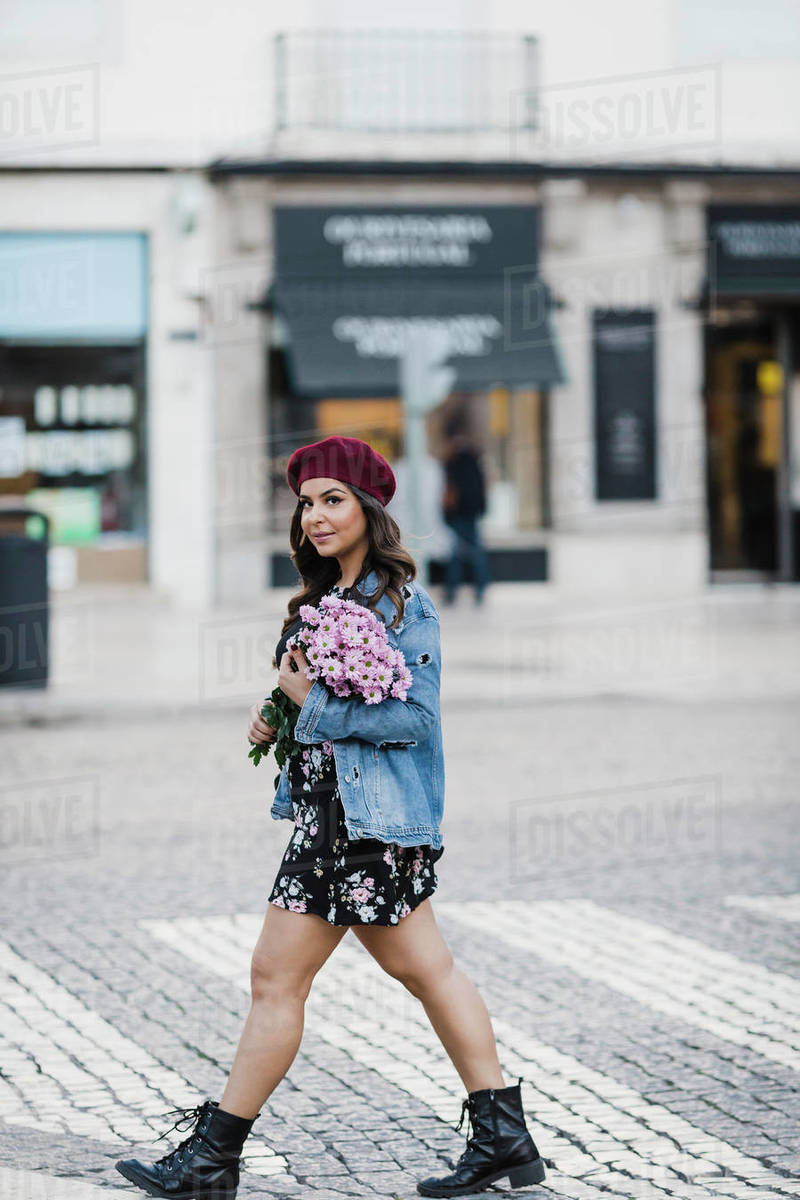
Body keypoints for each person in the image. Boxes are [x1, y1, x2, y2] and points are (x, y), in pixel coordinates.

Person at [114, 435, 546, 1200]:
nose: (314, 516)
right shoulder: (326, 602)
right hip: (337, 822)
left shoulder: (402, 607)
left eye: (332, 500)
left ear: (370, 509)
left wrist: (308, 706)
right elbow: (314, 698)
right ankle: (505, 1140)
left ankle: (213, 1161)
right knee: (426, 972)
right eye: (307, 503)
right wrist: (276, 713)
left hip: (363, 830)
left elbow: (413, 718)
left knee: (278, 979)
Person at [440, 427, 491, 606]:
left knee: (456, 554)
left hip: (457, 515)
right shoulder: (474, 460)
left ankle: (452, 592)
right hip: (471, 514)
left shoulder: (452, 463)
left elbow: (448, 491)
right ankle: (480, 589)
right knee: (474, 553)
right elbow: (482, 488)